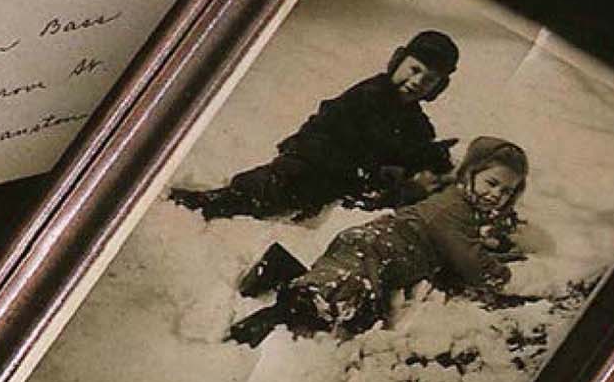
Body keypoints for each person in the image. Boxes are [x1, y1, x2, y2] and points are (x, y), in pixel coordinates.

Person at [224, 136, 529, 348]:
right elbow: (470, 261)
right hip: (380, 248)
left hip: (376, 244)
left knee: (354, 304)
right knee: (330, 302)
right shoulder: (452, 209)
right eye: (492, 183)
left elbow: (464, 243)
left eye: (507, 191)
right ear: (470, 174)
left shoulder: (463, 207)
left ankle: (281, 267)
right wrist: (504, 276)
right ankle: (264, 321)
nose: (496, 195)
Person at [169, 31, 461, 224]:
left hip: (346, 177)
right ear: (398, 62)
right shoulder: (370, 95)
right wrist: (373, 166)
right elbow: (352, 133)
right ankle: (212, 201)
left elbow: (414, 143)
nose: (417, 82)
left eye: (429, 80)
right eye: (414, 70)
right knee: (276, 187)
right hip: (316, 156)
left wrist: (430, 153)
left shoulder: (414, 118)